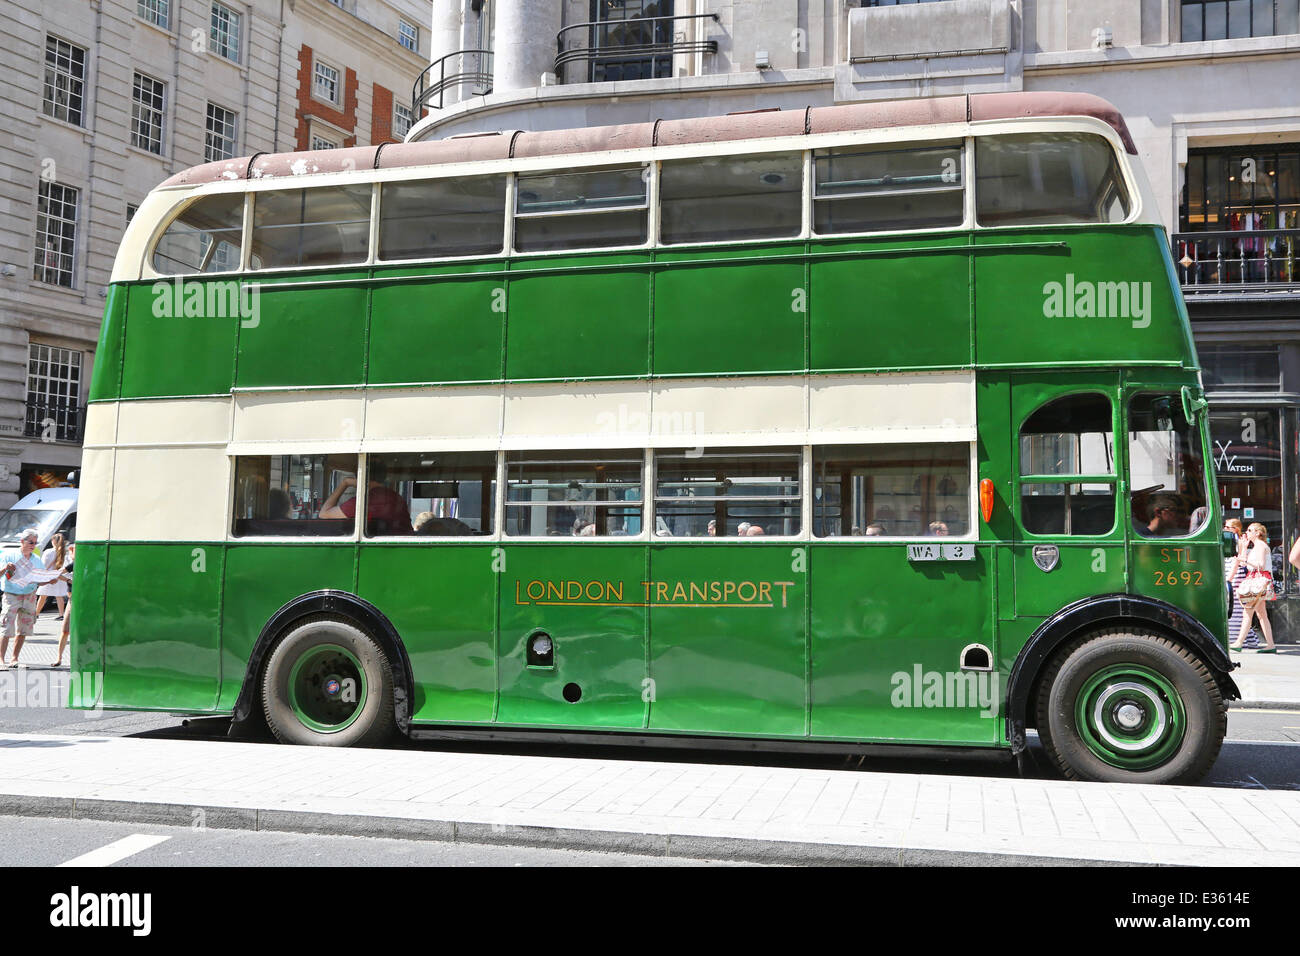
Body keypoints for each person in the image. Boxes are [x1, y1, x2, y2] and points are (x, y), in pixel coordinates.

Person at [1227, 522, 1278, 653]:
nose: (1247, 532)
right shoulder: (1257, 546)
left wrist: (1247, 560)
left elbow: (1260, 564)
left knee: (1247, 612)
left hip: (1258, 581)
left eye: (1250, 530)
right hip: (1258, 581)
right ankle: (1271, 645)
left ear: (1258, 533)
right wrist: (1244, 547)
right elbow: (1244, 561)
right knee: (1261, 614)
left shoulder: (1260, 546)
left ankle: (1239, 642)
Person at [320, 461, 411, 534]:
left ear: (359, 477)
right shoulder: (395, 496)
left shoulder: (368, 499)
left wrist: (345, 483)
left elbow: (324, 514)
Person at [0, 529, 45, 667]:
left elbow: (41, 578)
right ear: (22, 541)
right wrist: (6, 569)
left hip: (29, 596)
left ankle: (14, 659)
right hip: (11, 595)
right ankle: (1, 660)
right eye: (31, 542)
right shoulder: (9, 555)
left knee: (23, 629)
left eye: (35, 543)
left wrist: (50, 580)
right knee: (6, 627)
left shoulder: (36, 559)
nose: (33, 545)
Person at [34, 532, 70, 620]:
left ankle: (36, 613)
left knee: (43, 595)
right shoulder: (65, 552)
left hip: (49, 576)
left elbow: (44, 565)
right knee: (59, 596)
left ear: (53, 541)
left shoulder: (48, 552)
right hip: (59, 576)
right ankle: (61, 614)